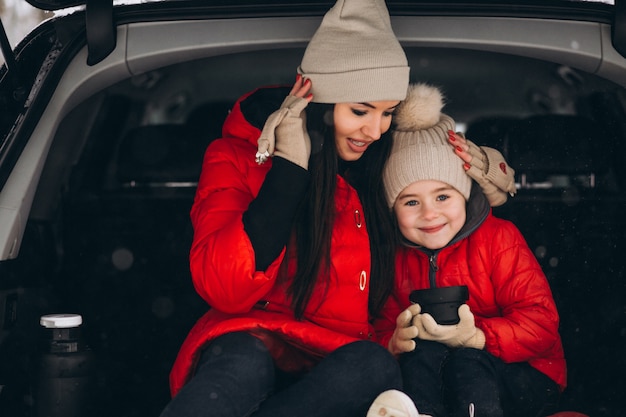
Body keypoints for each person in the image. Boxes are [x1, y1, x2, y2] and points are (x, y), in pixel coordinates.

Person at [160, 0, 515, 415]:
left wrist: (490, 172)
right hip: (254, 335)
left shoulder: (384, 159)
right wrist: (290, 169)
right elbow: (225, 288)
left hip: (344, 355)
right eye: (360, 111)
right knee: (243, 361)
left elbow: (440, 174)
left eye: (387, 113)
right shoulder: (235, 156)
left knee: (373, 365)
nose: (374, 129)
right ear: (321, 103)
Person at [375, 83, 566, 417]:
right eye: (410, 201)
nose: (429, 213)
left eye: (442, 196)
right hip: (445, 376)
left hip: (529, 374)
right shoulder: (393, 255)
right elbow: (380, 322)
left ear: (464, 194)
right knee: (418, 357)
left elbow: (542, 325)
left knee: (467, 359)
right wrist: (394, 341)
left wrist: (478, 337)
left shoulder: (498, 238)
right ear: (393, 210)